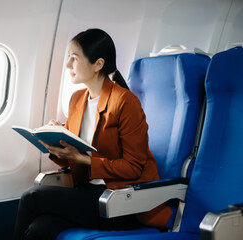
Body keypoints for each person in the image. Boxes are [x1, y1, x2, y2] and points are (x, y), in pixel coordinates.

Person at [13, 28, 172, 240]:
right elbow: (75, 156)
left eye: (74, 58)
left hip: (121, 202)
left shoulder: (125, 102)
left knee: (32, 197)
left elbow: (134, 168)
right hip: (89, 194)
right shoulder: (77, 99)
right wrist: (56, 139)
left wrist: (83, 159)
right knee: (39, 230)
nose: (68, 65)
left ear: (98, 64)